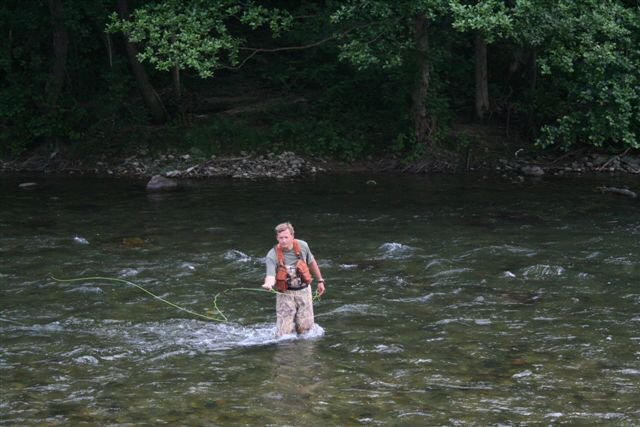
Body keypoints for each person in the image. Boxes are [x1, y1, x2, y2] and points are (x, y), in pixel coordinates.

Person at [262, 222, 325, 336]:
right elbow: (270, 276)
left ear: (292, 236)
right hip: (285, 293)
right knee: (284, 334)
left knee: (306, 331)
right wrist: (268, 284)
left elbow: (312, 263)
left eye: (286, 237)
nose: (284, 240)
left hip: (304, 291)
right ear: (277, 238)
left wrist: (320, 280)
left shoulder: (303, 246)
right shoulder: (272, 255)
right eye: (281, 238)